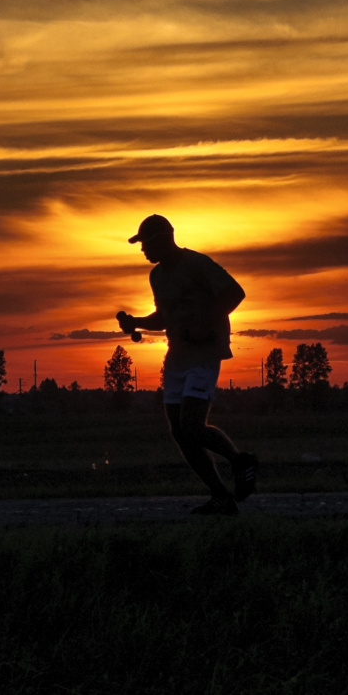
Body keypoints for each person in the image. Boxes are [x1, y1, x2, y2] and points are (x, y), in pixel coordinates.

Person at [117, 213, 258, 516]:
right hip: (176, 357)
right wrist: (136, 322)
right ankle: (221, 497)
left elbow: (235, 293)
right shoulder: (157, 276)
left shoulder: (196, 264)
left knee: (192, 426)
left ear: (163, 239)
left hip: (203, 355)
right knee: (180, 432)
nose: (143, 250)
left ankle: (239, 461)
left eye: (145, 243)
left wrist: (207, 325)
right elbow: (164, 317)